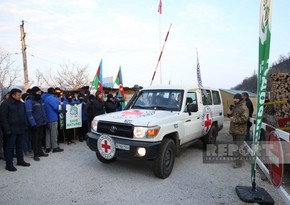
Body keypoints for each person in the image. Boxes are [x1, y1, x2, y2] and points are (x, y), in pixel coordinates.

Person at [0, 88, 31, 171]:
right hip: (11, 129)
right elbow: (3, 118)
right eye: (18, 95)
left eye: (20, 95)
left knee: (19, 146)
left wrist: (25, 125)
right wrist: (7, 130)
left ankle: (20, 161)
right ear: (13, 95)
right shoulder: (6, 104)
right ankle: (9, 164)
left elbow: (24, 115)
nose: (20, 96)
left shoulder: (21, 104)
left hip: (21, 128)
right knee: (10, 148)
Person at [25, 86, 48, 161]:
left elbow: (43, 111)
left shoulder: (40, 100)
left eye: (40, 92)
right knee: (35, 139)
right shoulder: (29, 102)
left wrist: (45, 120)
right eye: (38, 92)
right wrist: (33, 123)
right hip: (35, 124)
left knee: (40, 138)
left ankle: (40, 152)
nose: (40, 94)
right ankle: (36, 154)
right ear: (34, 93)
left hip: (41, 122)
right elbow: (29, 114)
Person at [227, 93, 249, 168]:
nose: (234, 100)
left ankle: (239, 163)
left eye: (236, 98)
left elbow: (244, 119)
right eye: (234, 98)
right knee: (236, 146)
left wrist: (234, 119)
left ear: (240, 99)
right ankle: (237, 160)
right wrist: (230, 110)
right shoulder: (236, 107)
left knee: (240, 147)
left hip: (240, 131)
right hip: (234, 130)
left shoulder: (244, 107)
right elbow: (229, 115)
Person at [42, 87, 64, 153]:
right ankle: (55, 147)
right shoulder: (51, 98)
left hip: (47, 118)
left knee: (48, 133)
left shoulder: (45, 97)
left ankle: (48, 147)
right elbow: (55, 107)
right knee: (54, 133)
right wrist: (59, 108)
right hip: (52, 117)